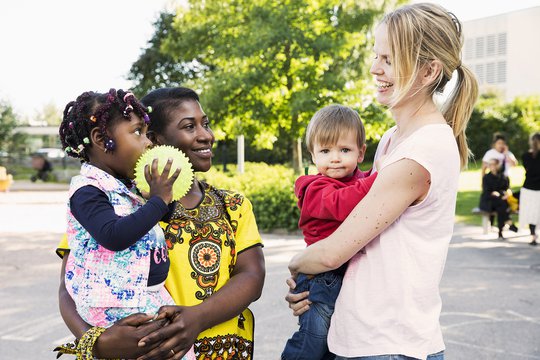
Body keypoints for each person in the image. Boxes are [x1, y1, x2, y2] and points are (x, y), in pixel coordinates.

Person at [286, 3, 478, 360]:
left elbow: (333, 252)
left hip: (388, 343)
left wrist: (298, 267)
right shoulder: (394, 138)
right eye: (376, 56)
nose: (375, 69)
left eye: (388, 59)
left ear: (428, 71)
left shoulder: (423, 150)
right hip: (364, 332)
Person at [57, 87, 265, 360]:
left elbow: (252, 275)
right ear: (155, 141)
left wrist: (197, 318)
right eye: (189, 126)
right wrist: (96, 341)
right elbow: (71, 285)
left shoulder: (232, 206)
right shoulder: (117, 204)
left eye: (206, 124)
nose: (206, 135)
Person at [55, 88, 195, 359]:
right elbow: (113, 235)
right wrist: (157, 200)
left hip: (146, 296)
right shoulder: (87, 191)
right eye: (137, 132)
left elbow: (162, 217)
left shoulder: (128, 187)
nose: (148, 142)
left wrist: (162, 198)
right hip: (113, 304)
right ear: (100, 139)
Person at [281, 105, 377, 360]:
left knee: (337, 343)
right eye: (325, 151)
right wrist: (380, 180)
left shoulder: (358, 180)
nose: (335, 158)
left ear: (360, 153)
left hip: (343, 273)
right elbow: (342, 203)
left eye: (344, 150)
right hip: (321, 276)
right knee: (315, 341)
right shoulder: (314, 188)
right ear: (313, 156)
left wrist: (373, 178)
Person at [479, 158, 518, 239]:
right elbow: (486, 192)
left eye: (493, 164)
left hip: (500, 200)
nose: (491, 166)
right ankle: (507, 224)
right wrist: (494, 193)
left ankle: (501, 230)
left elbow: (507, 189)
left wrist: (505, 194)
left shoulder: (503, 177)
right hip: (488, 201)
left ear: (498, 165)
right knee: (502, 204)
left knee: (501, 206)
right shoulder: (486, 177)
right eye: (490, 164)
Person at [519, 132, 540, 246]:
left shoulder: (525, 156)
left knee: (532, 213)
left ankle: (533, 236)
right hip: (537, 188)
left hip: (528, 188)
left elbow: (528, 170)